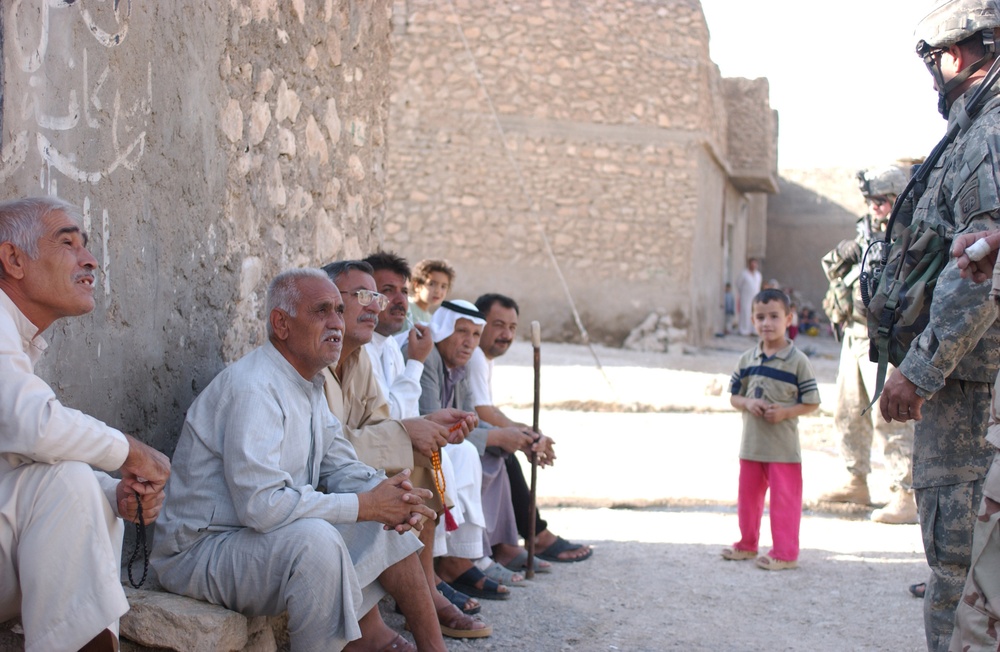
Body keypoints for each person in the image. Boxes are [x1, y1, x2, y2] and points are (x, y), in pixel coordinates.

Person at [151, 269, 447, 652]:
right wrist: (364, 504)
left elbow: (339, 464)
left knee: (384, 522)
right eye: (322, 311)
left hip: (252, 539)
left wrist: (386, 494)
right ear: (281, 324)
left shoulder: (308, 384)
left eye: (340, 311)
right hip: (200, 551)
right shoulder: (255, 388)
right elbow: (261, 506)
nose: (337, 323)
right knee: (316, 542)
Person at [876, 2, 1000, 648]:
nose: (934, 77)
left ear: (955, 54)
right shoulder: (972, 127)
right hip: (962, 382)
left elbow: (978, 271)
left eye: (935, 62)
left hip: (969, 389)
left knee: (961, 563)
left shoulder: (989, 132)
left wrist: (918, 370)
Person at [0, 196, 171, 652]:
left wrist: (110, 494)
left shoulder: (18, 337)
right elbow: (34, 425)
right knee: (71, 479)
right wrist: (132, 452)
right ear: (14, 259)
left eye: (87, 245)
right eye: (68, 242)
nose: (90, 259)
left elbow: (18, 465)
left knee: (80, 483)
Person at [320, 259, 491, 639]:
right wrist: (410, 428)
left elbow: (379, 421)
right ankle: (387, 616)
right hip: (311, 490)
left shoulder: (359, 355)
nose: (379, 304)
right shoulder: (315, 360)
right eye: (369, 294)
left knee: (416, 462)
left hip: (345, 471)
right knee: (406, 468)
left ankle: (427, 587)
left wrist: (421, 425)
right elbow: (325, 450)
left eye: (386, 294)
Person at [362, 251, 489, 617]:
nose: (401, 301)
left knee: (448, 451)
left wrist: (437, 420)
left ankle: (440, 572)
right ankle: (428, 583)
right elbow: (390, 419)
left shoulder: (390, 350)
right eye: (387, 291)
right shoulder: (404, 351)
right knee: (422, 458)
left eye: (402, 291)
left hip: (383, 442)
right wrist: (417, 362)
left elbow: (402, 414)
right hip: (363, 453)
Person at [818, 166, 918, 525]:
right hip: (854, 333)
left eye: (882, 200)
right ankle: (855, 478)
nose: (875, 207)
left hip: (886, 340)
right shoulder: (865, 235)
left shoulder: (909, 235)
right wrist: (846, 254)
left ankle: (904, 493)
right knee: (847, 410)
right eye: (871, 201)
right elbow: (835, 273)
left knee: (889, 416)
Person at [411, 300, 529, 600]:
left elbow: (468, 419)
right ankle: (453, 562)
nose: (470, 342)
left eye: (476, 335)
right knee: (464, 454)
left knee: (485, 455)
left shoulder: (457, 366)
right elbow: (430, 421)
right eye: (462, 331)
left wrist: (510, 435)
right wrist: (499, 436)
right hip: (414, 443)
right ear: (443, 330)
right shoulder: (430, 360)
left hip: (437, 445)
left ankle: (469, 556)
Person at [470, 293, 593, 566]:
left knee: (507, 448)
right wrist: (526, 436)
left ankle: (525, 537)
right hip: (463, 435)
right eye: (499, 325)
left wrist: (526, 433)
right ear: (480, 323)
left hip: (474, 431)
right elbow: (483, 412)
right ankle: (533, 536)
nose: (506, 334)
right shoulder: (475, 356)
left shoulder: (484, 358)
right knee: (504, 452)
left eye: (512, 328)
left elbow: (489, 410)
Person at [722, 289, 820, 571]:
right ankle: (747, 544)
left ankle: (785, 553)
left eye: (774, 316)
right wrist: (748, 402)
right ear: (752, 321)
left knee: (784, 502)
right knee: (748, 500)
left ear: (789, 319)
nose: (767, 323)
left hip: (783, 450)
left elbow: (811, 402)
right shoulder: (747, 359)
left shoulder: (798, 361)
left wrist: (785, 412)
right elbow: (733, 397)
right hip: (752, 446)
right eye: (760, 317)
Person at [407, 259, 455, 328]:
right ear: (416, 285)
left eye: (443, 286)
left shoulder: (431, 320)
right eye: (431, 284)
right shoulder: (406, 307)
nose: (437, 291)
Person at [735, 258, 762, 336]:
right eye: (752, 264)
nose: (753, 265)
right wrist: (743, 292)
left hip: (755, 297)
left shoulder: (758, 275)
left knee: (754, 313)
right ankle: (744, 330)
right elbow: (738, 284)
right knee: (745, 312)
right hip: (746, 297)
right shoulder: (744, 274)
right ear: (749, 264)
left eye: (755, 264)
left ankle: (753, 330)